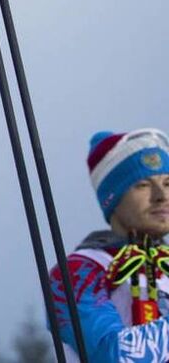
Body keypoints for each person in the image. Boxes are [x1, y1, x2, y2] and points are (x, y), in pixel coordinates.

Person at [50, 128, 169, 363]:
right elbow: (113, 354)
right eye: (143, 185)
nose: (161, 196)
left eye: (167, 183)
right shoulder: (76, 272)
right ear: (112, 198)